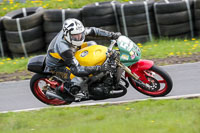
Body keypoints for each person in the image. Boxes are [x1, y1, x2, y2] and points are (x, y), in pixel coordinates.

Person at [45, 18, 121, 95]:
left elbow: (94, 31)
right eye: (75, 36)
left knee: (92, 44)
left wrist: (112, 35)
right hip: (59, 64)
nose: (79, 37)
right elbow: (76, 70)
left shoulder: (75, 30)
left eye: (80, 35)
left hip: (73, 49)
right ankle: (65, 91)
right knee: (78, 81)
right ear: (67, 35)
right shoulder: (64, 48)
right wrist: (100, 68)